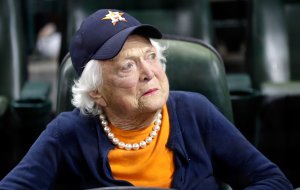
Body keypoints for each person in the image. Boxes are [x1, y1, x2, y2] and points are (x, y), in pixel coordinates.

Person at [0, 9, 293, 190]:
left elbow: (273, 181)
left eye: (151, 57)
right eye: (127, 66)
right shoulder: (67, 134)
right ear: (97, 92)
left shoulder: (195, 112)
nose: (149, 73)